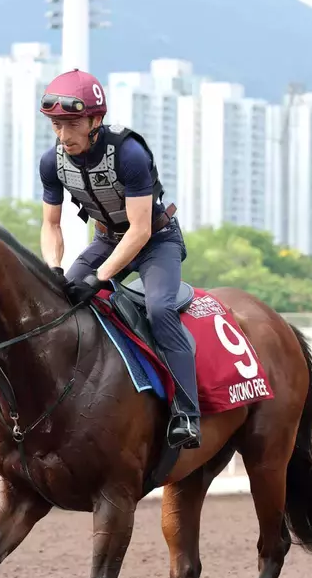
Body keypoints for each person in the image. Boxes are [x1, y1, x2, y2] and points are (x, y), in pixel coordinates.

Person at [38, 68, 201, 450]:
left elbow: (141, 230)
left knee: (160, 309)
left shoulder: (129, 153)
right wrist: (54, 270)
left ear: (96, 120)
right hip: (107, 239)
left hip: (156, 241)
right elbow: (51, 226)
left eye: (72, 124)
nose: (64, 136)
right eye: (56, 126)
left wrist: (101, 277)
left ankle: (187, 414)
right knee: (60, 302)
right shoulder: (51, 162)